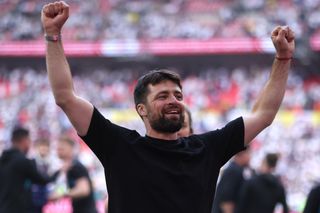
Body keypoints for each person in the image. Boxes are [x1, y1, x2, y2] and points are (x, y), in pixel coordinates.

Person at [41, 1, 295, 212]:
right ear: (141, 109)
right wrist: (53, 36)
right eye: (162, 96)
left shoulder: (205, 149)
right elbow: (65, 97)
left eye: (178, 95)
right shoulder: (120, 147)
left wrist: (283, 58)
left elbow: (264, 114)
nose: (174, 101)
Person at [0, 127, 58, 213]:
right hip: (18, 209)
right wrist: (58, 172)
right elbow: (42, 180)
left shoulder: (2, 160)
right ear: (24, 140)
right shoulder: (23, 161)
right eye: (29, 140)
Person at [49, 136, 98, 213]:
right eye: (57, 149)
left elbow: (84, 190)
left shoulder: (76, 166)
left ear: (71, 149)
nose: (58, 151)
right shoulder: (68, 167)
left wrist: (61, 194)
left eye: (61, 149)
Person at [212, 147, 254, 213]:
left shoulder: (237, 170)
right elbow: (226, 200)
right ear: (242, 154)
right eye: (249, 154)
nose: (250, 157)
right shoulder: (234, 171)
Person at [30, 138, 57, 213]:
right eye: (41, 148)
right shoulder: (32, 162)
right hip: (34, 196)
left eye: (46, 148)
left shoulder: (54, 163)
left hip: (49, 196)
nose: (43, 150)